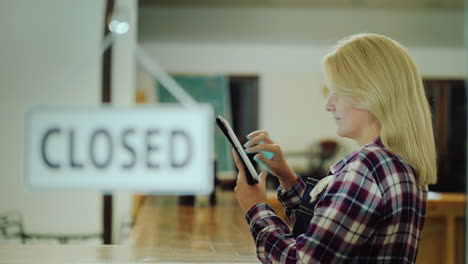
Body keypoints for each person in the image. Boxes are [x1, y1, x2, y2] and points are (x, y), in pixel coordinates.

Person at [232, 33, 437, 263]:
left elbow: (301, 260)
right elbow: (328, 234)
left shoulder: (367, 167)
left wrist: (255, 208)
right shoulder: (395, 162)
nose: (329, 105)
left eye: (337, 93)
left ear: (371, 95)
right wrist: (285, 176)